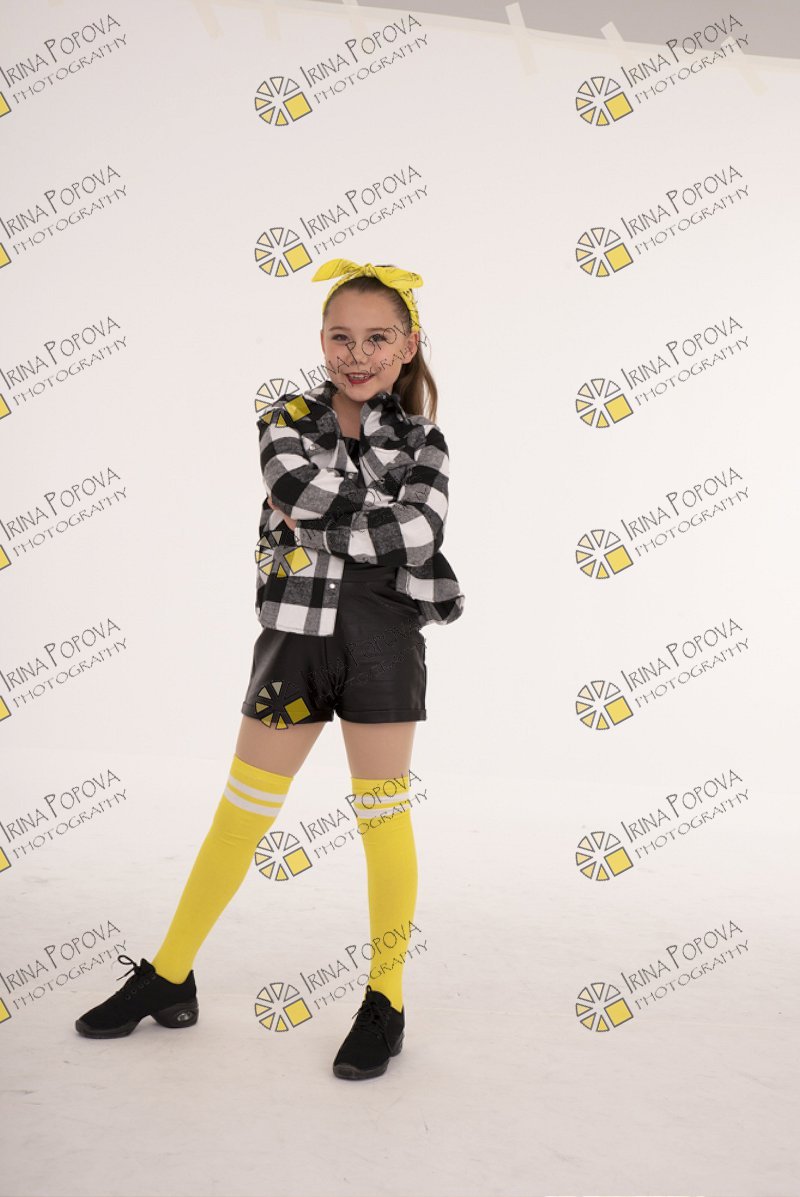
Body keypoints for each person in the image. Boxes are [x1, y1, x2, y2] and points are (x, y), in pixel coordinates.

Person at [74, 257, 465, 1080]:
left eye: (377, 338)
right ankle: (169, 975)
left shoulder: (424, 440)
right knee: (241, 813)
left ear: (407, 345)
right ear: (321, 341)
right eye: (340, 337)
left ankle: (385, 999)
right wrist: (370, 520)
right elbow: (295, 488)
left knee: (383, 817)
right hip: (295, 634)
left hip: (384, 640)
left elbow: (419, 534)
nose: (356, 355)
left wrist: (322, 522)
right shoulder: (284, 417)